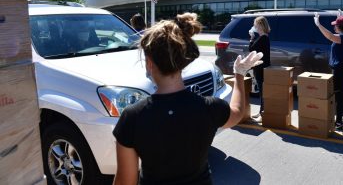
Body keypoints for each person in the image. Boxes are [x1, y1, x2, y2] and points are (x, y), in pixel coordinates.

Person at [112, 13, 263, 185]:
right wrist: (239, 74)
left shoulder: (132, 117)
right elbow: (237, 112)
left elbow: (125, 181)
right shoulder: (209, 108)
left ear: (149, 63)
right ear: (182, 61)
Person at [314, 10, 343, 131]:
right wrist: (339, 17)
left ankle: (339, 122)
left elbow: (330, 36)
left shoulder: (342, 38)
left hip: (340, 70)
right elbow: (336, 33)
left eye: (336, 24)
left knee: (339, 96)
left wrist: (318, 24)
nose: (334, 26)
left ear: (340, 27)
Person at [248, 16, 271, 120]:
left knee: (262, 92)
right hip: (261, 67)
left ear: (261, 25)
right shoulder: (264, 37)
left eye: (256, 24)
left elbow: (251, 49)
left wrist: (251, 38)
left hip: (261, 68)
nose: (254, 26)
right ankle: (261, 111)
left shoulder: (263, 38)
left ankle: (262, 113)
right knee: (262, 91)